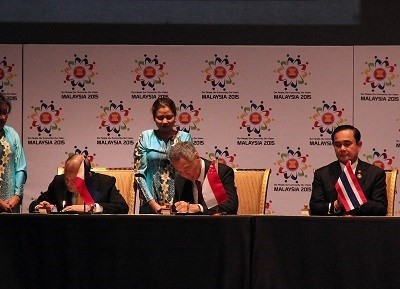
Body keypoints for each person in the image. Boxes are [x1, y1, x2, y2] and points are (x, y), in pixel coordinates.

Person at [309, 125, 387, 216]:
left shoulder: (375, 173)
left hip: (364, 227)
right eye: (338, 145)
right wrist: (336, 205)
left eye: (347, 144)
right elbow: (315, 208)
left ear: (359, 145)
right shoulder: (322, 174)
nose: (342, 148)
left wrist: (355, 200)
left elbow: (381, 208)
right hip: (332, 228)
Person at [134, 97, 192, 214]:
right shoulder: (145, 137)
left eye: (169, 117)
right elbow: (139, 174)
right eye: (160, 117)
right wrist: (152, 203)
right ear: (154, 118)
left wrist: (177, 204)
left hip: (179, 203)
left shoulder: (185, 137)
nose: (165, 121)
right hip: (150, 203)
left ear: (175, 116)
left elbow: (189, 171)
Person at [29, 154, 129, 214]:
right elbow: (34, 205)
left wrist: (91, 208)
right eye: (66, 178)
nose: (68, 183)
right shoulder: (58, 181)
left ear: (87, 175)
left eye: (74, 180)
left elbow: (122, 207)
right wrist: (41, 207)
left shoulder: (105, 182)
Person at [168, 141, 238, 215]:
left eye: (186, 169)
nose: (185, 175)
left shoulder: (220, 172)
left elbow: (231, 206)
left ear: (197, 157)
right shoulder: (180, 178)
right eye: (179, 171)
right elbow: (176, 210)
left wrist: (198, 208)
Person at [0, 92, 27, 213]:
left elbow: (21, 167)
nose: (2, 117)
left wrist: (17, 195)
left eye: (5, 113)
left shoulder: (12, 134)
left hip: (11, 204)